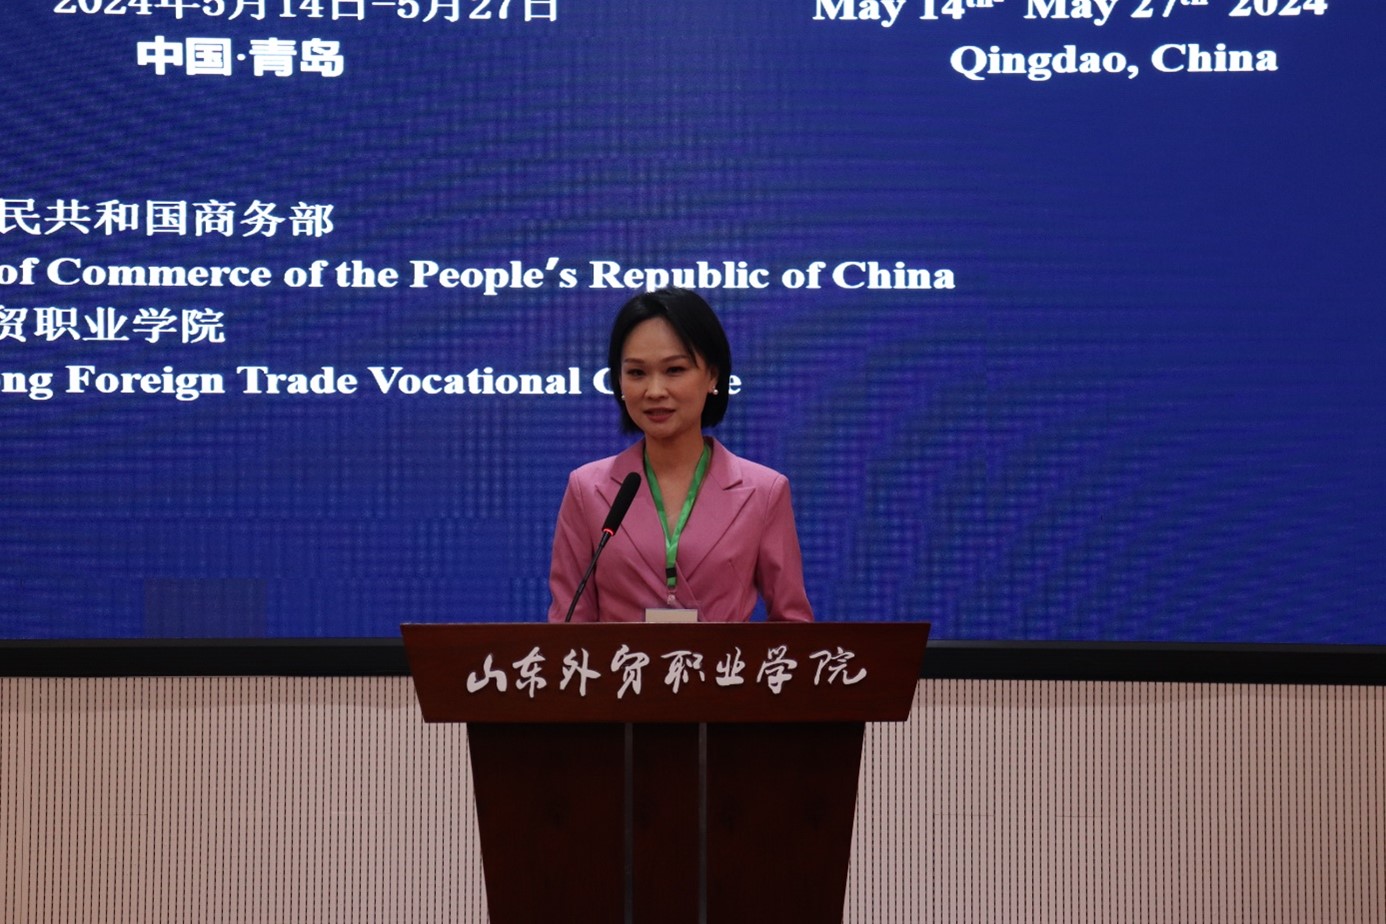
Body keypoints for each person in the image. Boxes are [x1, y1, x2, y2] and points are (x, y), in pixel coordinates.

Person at [547, 288, 814, 623]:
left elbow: (793, 626)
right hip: (623, 660)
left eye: (674, 370)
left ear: (712, 375)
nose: (655, 391)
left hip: (723, 661)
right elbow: (569, 627)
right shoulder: (587, 489)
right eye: (637, 373)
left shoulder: (765, 491)